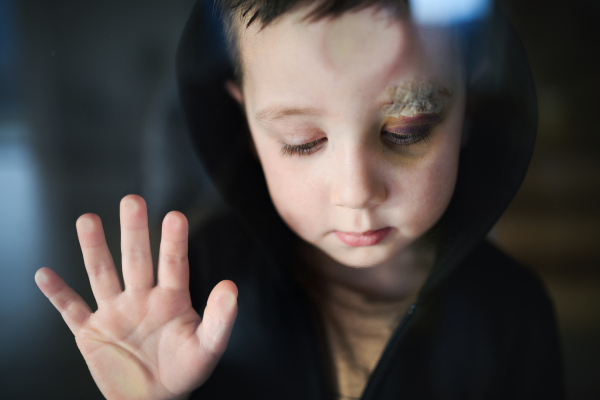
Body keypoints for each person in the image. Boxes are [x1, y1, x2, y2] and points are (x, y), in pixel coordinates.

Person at [35, 0, 565, 399]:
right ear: (245, 122)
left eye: (407, 130)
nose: (355, 192)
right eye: (302, 142)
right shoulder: (196, 285)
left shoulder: (513, 314)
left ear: (468, 104)